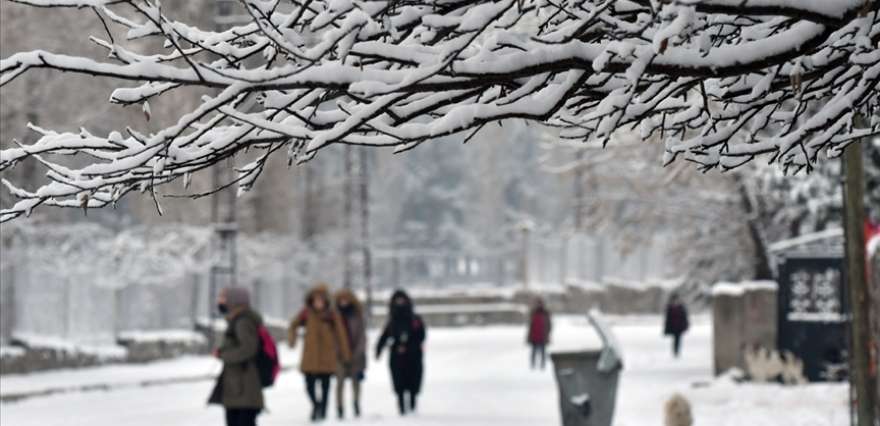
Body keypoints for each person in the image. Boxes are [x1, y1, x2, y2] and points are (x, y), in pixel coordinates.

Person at [288, 284, 352, 422]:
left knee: (325, 386)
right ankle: (315, 405)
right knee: (309, 385)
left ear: (325, 300)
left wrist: (345, 354)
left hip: (327, 356)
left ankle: (322, 410)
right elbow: (293, 325)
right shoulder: (306, 313)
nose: (318, 302)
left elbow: (341, 335)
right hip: (310, 356)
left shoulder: (332, 315)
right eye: (316, 299)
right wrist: (292, 340)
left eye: (321, 300)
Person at [208, 287, 265, 426]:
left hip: (244, 385)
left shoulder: (243, 321)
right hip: (238, 386)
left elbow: (248, 348)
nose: (220, 301)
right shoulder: (237, 319)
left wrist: (223, 354)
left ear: (234, 300)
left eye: (223, 298)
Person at [376, 290, 426, 416]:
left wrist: (408, 347)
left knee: (413, 381)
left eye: (402, 300)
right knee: (399, 382)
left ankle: (413, 405)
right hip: (397, 356)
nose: (400, 303)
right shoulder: (392, 321)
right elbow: (385, 336)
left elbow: (421, 336)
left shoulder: (415, 319)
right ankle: (402, 406)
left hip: (413, 356)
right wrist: (379, 349)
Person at [334, 288, 367, 419]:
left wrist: (357, 352)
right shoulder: (335, 316)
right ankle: (340, 407)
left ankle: (356, 403)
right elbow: (333, 337)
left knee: (356, 382)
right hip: (339, 356)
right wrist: (338, 352)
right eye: (341, 300)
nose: (343, 302)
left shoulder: (357, 316)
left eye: (345, 299)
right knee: (339, 382)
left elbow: (362, 336)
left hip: (356, 355)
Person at [527, 297, 552, 370]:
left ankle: (542, 365)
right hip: (534, 336)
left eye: (540, 303)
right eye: (538, 303)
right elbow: (530, 325)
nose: (539, 305)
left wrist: (547, 333)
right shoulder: (533, 312)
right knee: (533, 352)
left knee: (543, 352)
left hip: (542, 336)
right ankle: (533, 365)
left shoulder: (546, 312)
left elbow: (549, 325)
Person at [664, 293, 690, 358]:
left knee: (678, 339)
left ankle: (677, 351)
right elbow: (667, 319)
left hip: (679, 327)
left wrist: (686, 325)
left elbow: (684, 317)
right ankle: (675, 351)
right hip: (673, 327)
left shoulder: (681, 307)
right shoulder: (670, 307)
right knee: (675, 339)